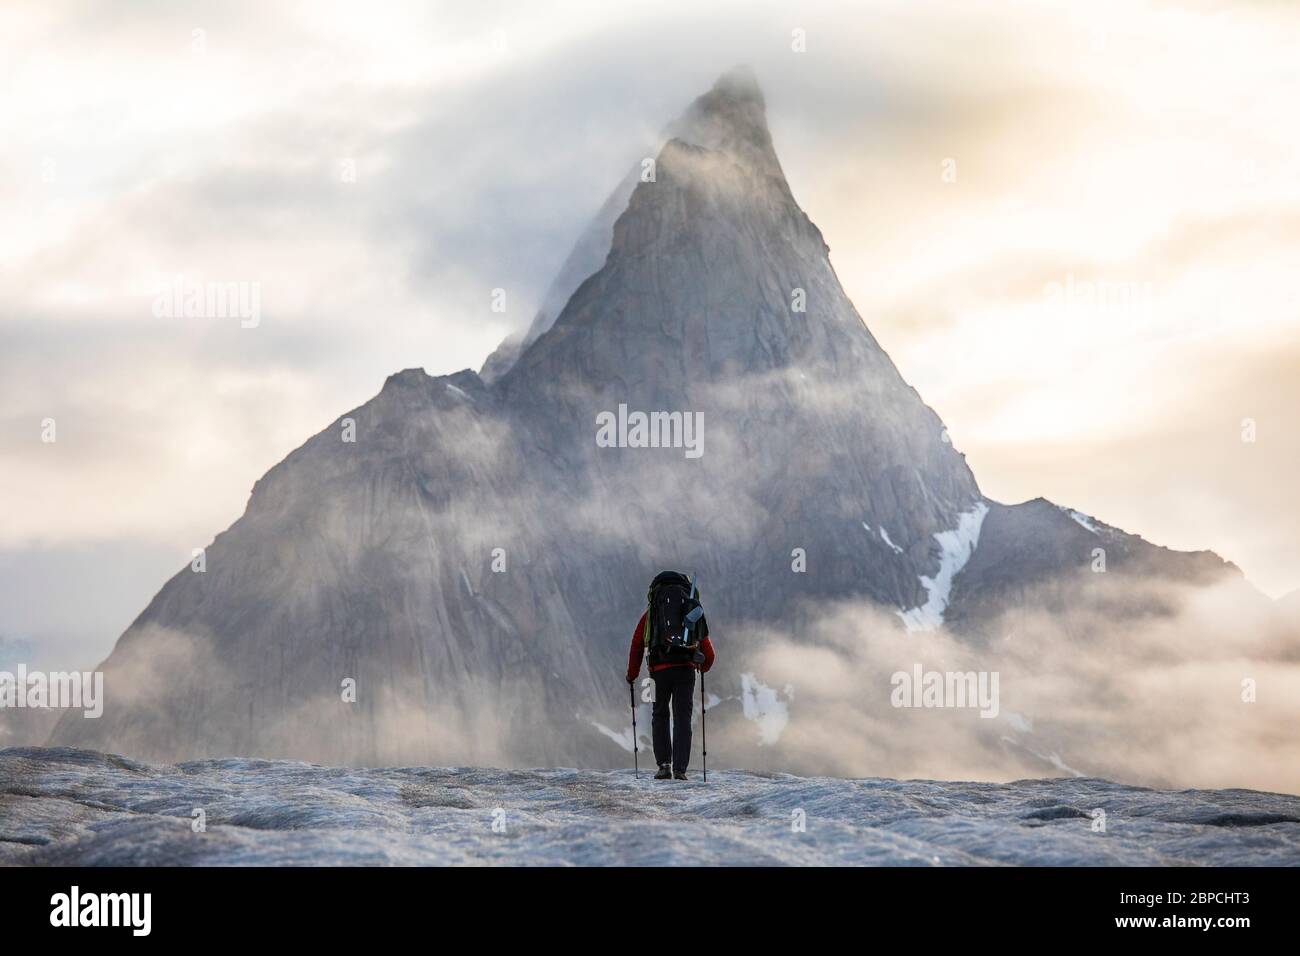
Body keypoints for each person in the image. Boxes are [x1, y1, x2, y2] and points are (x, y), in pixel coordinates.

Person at [626, 571, 715, 780]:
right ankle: (680, 769)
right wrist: (703, 666)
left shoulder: (652, 614)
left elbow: (637, 645)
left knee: (660, 715)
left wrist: (632, 674)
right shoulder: (692, 611)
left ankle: (664, 765)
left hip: (658, 672)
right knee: (683, 718)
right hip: (685, 670)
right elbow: (708, 652)